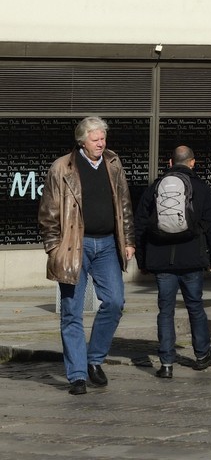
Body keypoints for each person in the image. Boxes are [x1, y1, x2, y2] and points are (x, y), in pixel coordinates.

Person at [38, 115, 136, 395]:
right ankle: (78, 375)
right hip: (73, 247)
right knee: (72, 311)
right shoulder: (62, 167)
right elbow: (48, 214)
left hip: (107, 245)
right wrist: (54, 248)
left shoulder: (113, 164)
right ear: (82, 141)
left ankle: (94, 359)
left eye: (103, 138)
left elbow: (125, 204)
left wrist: (128, 239)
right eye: (96, 139)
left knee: (115, 302)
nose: (101, 143)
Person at [135, 144, 211, 379]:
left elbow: (141, 225)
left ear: (170, 163)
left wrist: (142, 261)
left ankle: (166, 363)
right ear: (193, 162)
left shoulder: (154, 188)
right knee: (195, 306)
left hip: (160, 259)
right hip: (192, 258)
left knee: (166, 310)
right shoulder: (201, 188)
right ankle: (202, 355)